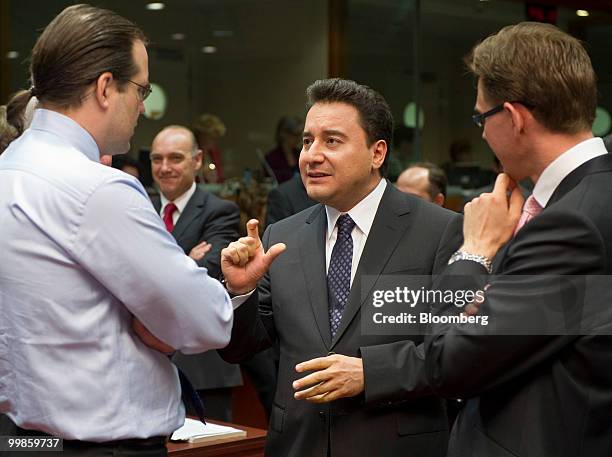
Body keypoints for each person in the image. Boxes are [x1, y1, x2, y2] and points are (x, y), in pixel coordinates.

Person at [0, 5, 232, 456]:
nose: (143, 106)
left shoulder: (8, 168)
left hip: (23, 438)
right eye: (141, 89)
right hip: (101, 444)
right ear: (106, 88)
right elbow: (207, 321)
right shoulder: (97, 189)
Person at [220, 78, 462, 457]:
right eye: (306, 141)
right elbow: (242, 348)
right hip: (298, 444)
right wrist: (240, 293)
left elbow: (459, 353)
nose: (311, 155)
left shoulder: (439, 231)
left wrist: (371, 373)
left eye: (331, 141)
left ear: (377, 153)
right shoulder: (283, 236)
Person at [424, 22, 612, 457]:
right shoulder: (586, 200)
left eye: (480, 117)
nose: (482, 132)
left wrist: (473, 252)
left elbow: (451, 361)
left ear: (513, 117)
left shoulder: (571, 224)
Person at [149, 125, 243, 421]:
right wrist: (184, 259)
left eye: (175, 158)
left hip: (201, 369)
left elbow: (205, 277)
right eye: (156, 159)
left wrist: (151, 268)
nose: (164, 168)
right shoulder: (138, 207)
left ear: (198, 160)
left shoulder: (220, 211)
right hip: (144, 365)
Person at [264, 115, 303, 183]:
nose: (298, 139)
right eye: (295, 134)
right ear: (284, 134)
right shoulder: (271, 158)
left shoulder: (301, 154)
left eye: (300, 135)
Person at [193, 113, 226, 183]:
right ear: (201, 135)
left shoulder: (214, 153)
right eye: (211, 137)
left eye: (216, 138)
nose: (215, 141)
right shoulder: (190, 152)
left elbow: (220, 178)